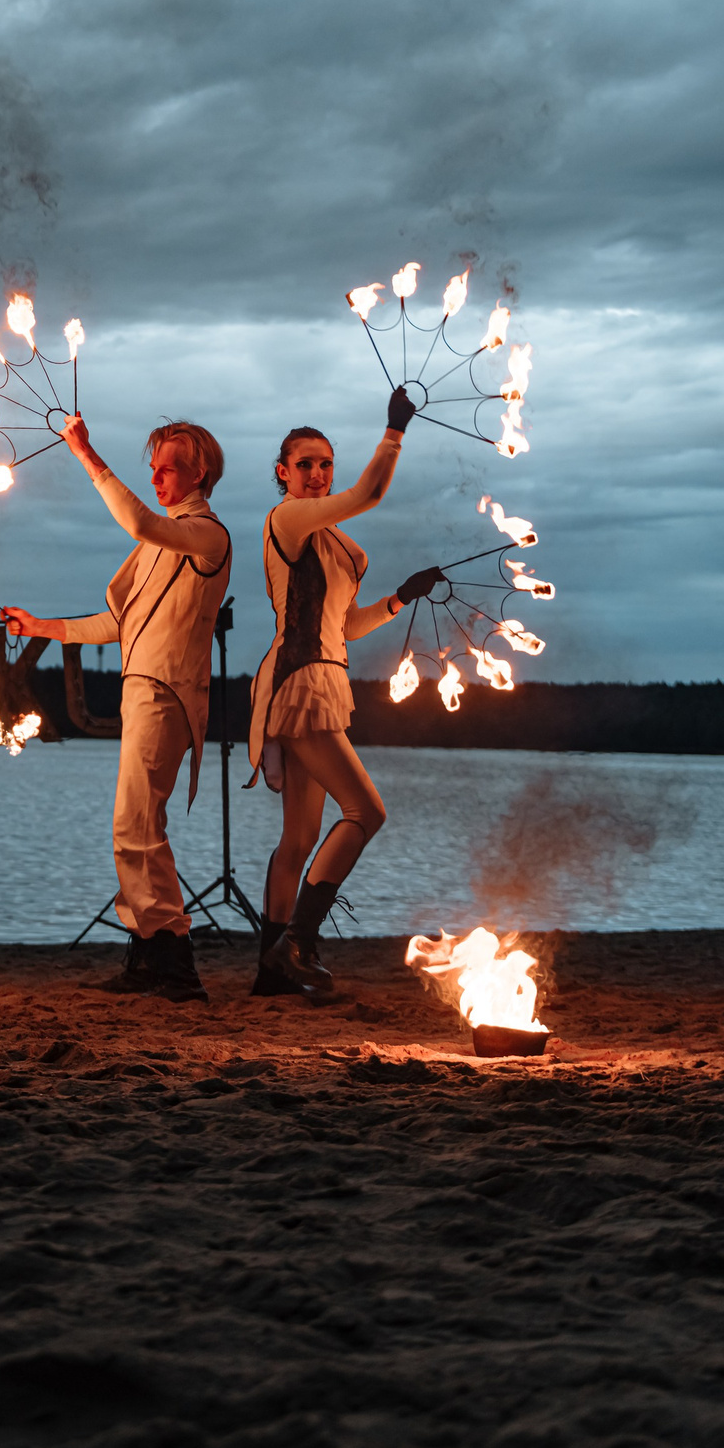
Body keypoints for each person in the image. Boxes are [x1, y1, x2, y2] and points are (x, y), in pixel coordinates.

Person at [2, 417, 232, 1001]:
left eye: (168, 468)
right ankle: (149, 960)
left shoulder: (208, 535)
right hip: (142, 690)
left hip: (168, 693)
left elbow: (137, 519)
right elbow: (118, 622)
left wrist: (85, 453)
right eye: (151, 469)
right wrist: (41, 627)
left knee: (135, 826)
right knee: (136, 825)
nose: (155, 478)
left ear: (199, 471)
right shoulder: (156, 544)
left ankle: (174, 967)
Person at [245, 390, 446, 996]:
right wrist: (393, 434)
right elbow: (370, 495)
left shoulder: (332, 539)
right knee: (367, 812)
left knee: (300, 839)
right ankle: (297, 945)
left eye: (325, 464)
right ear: (283, 474)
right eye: (305, 464)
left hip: (326, 673)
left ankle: (270, 971)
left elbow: (345, 623)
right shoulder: (288, 519)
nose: (317, 474)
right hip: (300, 680)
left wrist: (399, 599)